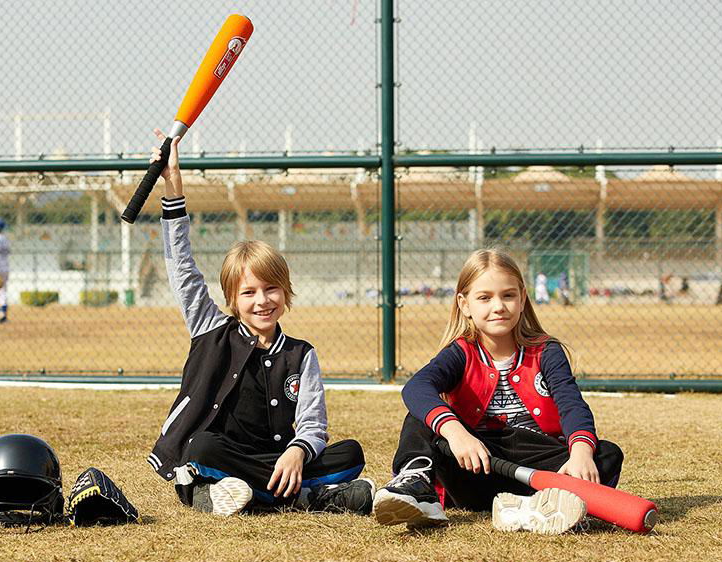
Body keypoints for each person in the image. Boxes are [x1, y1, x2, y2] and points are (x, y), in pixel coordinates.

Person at [146, 128, 372, 517]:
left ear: (285, 291)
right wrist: (174, 189)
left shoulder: (302, 355)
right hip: (224, 453)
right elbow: (182, 269)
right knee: (200, 448)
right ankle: (306, 499)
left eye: (271, 289)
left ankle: (230, 494)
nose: (262, 301)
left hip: (277, 460)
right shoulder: (210, 329)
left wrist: (297, 453)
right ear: (232, 299)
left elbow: (313, 424)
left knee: (350, 453)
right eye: (248, 293)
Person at [372, 249, 623, 533]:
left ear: (523, 298)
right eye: (484, 297)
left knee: (605, 454)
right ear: (464, 304)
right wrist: (455, 433)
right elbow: (417, 387)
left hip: (536, 463)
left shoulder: (546, 351)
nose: (499, 306)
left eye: (508, 295)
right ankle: (415, 485)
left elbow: (571, 404)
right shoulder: (461, 352)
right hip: (478, 465)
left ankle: (534, 507)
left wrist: (580, 453)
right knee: (421, 416)